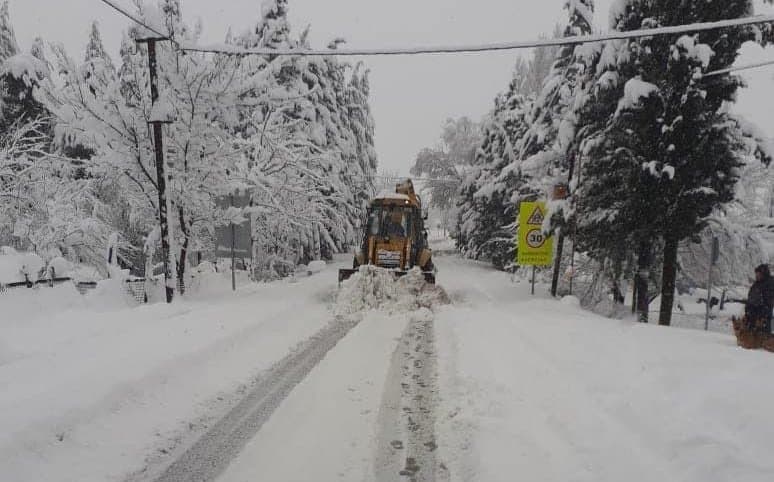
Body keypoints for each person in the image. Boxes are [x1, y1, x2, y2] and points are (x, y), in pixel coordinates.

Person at [745, 264, 774, 333]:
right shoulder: (756, 284)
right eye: (756, 274)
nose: (756, 275)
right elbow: (750, 296)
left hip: (763, 315)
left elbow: (769, 298)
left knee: (762, 337)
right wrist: (747, 309)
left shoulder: (770, 282)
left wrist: (761, 303)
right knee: (751, 336)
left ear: (763, 273)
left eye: (758, 274)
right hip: (752, 314)